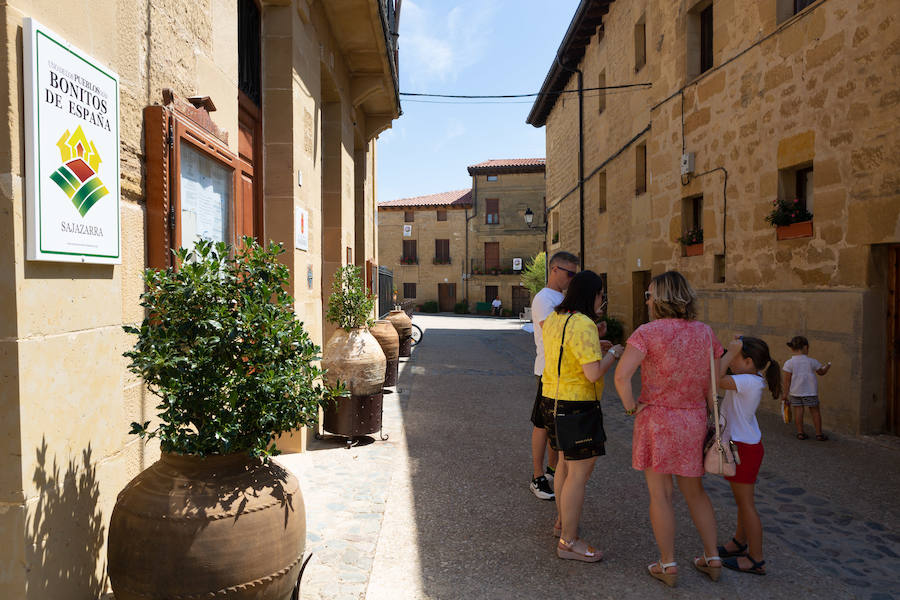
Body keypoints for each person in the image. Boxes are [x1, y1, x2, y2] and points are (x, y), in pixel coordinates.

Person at [613, 271, 723, 587]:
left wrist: (631, 406)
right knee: (696, 493)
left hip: (657, 420)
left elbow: (622, 377)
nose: (646, 300)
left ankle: (668, 563)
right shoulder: (705, 333)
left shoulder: (647, 333)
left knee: (660, 495)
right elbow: (711, 384)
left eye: (649, 295)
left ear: (660, 299)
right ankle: (713, 558)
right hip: (692, 419)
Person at [539, 271, 624, 562]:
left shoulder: (554, 319)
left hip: (551, 399)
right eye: (602, 295)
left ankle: (563, 523)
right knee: (577, 475)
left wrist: (596, 348)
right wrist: (613, 352)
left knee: (563, 465)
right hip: (578, 406)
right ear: (592, 295)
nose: (603, 300)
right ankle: (569, 541)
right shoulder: (584, 324)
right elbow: (593, 373)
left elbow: (566, 352)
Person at [716, 335, 781, 576]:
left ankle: (756, 558)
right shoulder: (749, 378)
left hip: (744, 448)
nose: (731, 361)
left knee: (746, 504)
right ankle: (739, 542)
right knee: (742, 503)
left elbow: (714, 380)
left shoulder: (747, 381)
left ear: (749, 361)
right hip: (743, 445)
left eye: (736, 357)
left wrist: (725, 355)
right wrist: (732, 353)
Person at [529, 251, 579, 500]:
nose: (572, 278)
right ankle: (537, 477)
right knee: (541, 425)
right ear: (555, 270)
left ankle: (551, 471)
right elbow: (552, 331)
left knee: (554, 426)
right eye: (569, 273)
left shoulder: (562, 297)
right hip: (548, 369)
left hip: (562, 372)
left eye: (575, 274)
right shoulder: (544, 298)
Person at [781, 335, 831, 441]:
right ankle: (819, 434)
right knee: (815, 411)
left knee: (798, 411)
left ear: (792, 348)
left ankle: (800, 433)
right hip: (810, 392)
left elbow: (787, 380)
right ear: (806, 347)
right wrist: (827, 367)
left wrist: (785, 394)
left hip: (795, 392)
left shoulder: (789, 363)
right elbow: (821, 372)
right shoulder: (812, 361)